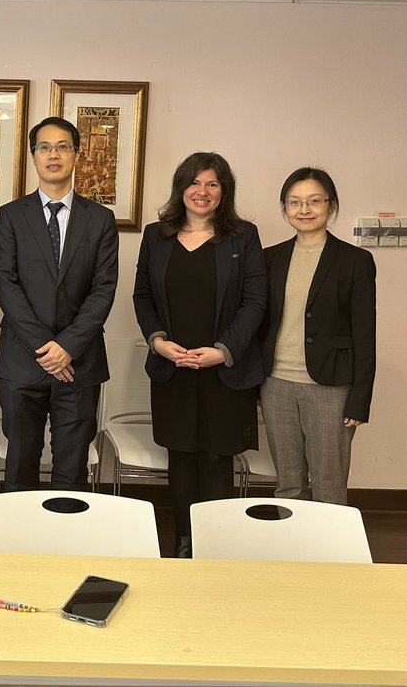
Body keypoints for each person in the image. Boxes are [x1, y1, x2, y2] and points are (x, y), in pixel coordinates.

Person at [132, 151, 266, 557]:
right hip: (173, 368)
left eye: (212, 183)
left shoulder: (243, 236)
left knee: (214, 460)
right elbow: (142, 296)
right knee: (181, 460)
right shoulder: (157, 236)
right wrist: (157, 340)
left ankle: (216, 548)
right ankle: (184, 545)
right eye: (194, 183)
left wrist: (223, 351)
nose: (202, 191)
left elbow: (255, 302)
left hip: (223, 371)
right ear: (181, 188)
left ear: (224, 191)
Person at [0, 116, 118, 492]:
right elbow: (6, 286)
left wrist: (67, 348)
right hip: (21, 360)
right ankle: (16, 550)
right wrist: (46, 349)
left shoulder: (100, 219)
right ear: (33, 156)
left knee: (72, 466)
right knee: (20, 463)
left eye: (62, 146)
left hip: (80, 363)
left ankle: (66, 547)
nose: (53, 154)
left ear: (76, 155)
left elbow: (103, 288)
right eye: (45, 147)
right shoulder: (11, 216)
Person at [259, 167, 376, 505]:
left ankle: (332, 557)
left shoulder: (355, 261)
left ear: (331, 205)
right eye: (294, 202)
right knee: (287, 485)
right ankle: (291, 553)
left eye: (313, 201)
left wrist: (360, 399)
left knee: (328, 483)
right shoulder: (270, 259)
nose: (304, 210)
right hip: (276, 384)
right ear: (284, 208)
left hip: (331, 388)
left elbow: (365, 334)